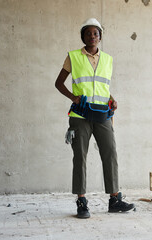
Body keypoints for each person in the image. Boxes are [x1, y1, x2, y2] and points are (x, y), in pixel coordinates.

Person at [55, 18, 134, 219]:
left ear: (100, 37)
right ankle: (82, 202)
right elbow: (59, 83)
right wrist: (73, 97)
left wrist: (113, 99)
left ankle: (114, 199)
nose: (92, 36)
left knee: (110, 153)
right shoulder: (73, 57)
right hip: (80, 115)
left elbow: (102, 88)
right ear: (83, 36)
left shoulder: (107, 59)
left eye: (96, 33)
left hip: (102, 114)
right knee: (80, 157)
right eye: (88, 33)